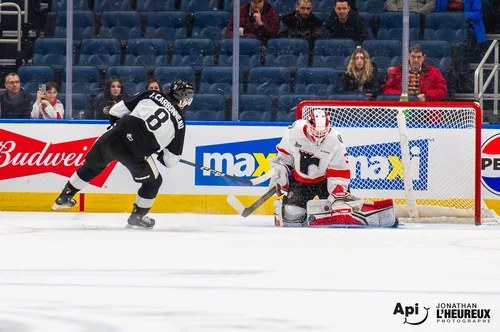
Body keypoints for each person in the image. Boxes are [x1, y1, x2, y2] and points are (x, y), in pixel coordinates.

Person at [51, 80, 195, 229]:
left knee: (92, 167)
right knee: (153, 182)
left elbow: (115, 111)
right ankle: (138, 216)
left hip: (114, 137)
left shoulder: (152, 94)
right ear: (183, 98)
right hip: (135, 153)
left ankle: (66, 195)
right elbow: (170, 161)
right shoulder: (180, 124)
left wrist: (117, 127)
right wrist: (161, 156)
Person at [269, 109, 352, 227]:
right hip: (300, 182)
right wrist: (280, 172)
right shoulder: (293, 133)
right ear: (308, 125)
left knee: (338, 215)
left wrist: (338, 194)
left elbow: (339, 169)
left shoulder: (335, 140)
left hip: (324, 182)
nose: (319, 136)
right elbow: (284, 157)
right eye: (316, 132)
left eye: (322, 133)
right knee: (291, 215)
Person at [382, 43, 447, 102]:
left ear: (423, 57)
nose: (416, 60)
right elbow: (386, 90)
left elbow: (442, 91)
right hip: (403, 107)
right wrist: (401, 95)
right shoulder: (396, 71)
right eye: (413, 57)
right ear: (408, 56)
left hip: (425, 109)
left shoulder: (434, 72)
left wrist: (426, 96)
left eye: (419, 57)